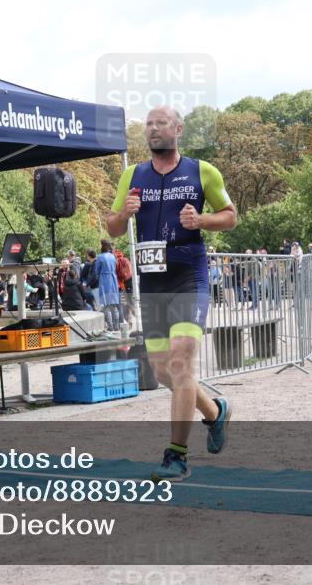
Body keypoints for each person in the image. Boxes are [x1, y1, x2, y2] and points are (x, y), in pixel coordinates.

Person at [106, 104, 237, 481]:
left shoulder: (202, 171)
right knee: (163, 370)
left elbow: (231, 215)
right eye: (148, 124)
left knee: (182, 362)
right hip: (152, 283)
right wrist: (124, 214)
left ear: (178, 129)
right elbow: (113, 229)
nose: (153, 129)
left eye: (161, 123)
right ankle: (215, 412)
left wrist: (202, 220)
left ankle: (176, 455)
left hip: (188, 278)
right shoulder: (133, 175)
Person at [93, 240, 121, 332]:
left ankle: (110, 326)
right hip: (113, 280)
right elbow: (116, 267)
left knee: (106, 305)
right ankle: (116, 326)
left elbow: (96, 271)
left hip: (105, 281)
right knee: (114, 305)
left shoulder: (100, 257)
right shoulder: (113, 256)